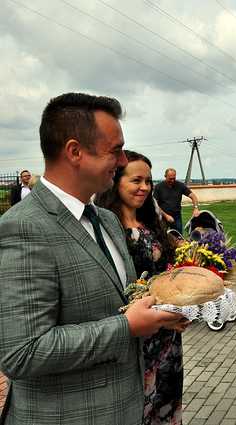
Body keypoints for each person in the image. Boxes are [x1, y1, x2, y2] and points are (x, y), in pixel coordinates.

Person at [0, 92, 182, 424]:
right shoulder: (24, 227)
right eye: (116, 150)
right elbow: (22, 352)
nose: (125, 160)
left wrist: (162, 312)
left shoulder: (107, 220)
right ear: (74, 152)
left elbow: (124, 302)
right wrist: (126, 327)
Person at [96, 150, 186, 425]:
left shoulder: (150, 223)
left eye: (148, 180)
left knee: (167, 407)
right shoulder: (104, 228)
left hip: (169, 340)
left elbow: (168, 275)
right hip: (136, 341)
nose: (145, 187)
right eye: (136, 180)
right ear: (115, 181)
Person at [153, 168, 200, 233]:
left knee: (178, 237)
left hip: (176, 216)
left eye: (174, 178)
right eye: (170, 179)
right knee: (162, 237)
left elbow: (193, 196)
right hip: (162, 216)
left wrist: (196, 208)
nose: (172, 180)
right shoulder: (158, 187)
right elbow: (155, 204)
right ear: (165, 176)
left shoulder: (180, 185)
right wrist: (166, 216)